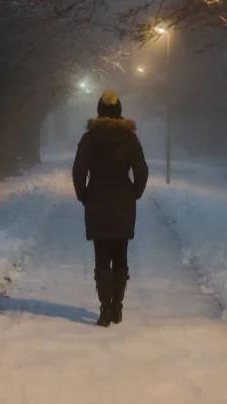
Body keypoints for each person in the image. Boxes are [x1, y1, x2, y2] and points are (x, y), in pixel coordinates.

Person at [72, 90, 149, 327]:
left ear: (99, 111)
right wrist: (134, 193)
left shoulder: (90, 138)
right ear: (119, 112)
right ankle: (117, 307)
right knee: (121, 253)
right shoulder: (130, 138)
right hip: (123, 201)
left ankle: (105, 309)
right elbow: (142, 170)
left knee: (102, 255)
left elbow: (78, 171)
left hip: (97, 201)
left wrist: (83, 195)